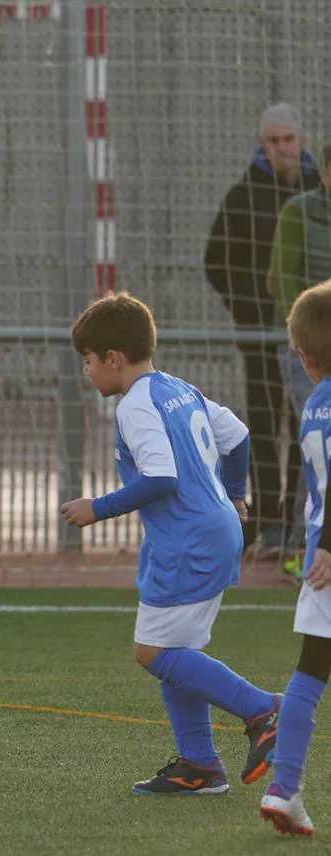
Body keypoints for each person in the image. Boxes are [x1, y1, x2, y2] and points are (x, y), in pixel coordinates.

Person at [60, 292, 279, 795]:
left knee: (153, 651)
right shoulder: (178, 388)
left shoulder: (135, 407)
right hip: (211, 530)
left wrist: (98, 507)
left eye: (88, 363)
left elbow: (160, 476)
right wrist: (238, 497)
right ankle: (200, 766)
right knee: (176, 650)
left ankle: (264, 709)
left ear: (112, 358)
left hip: (189, 541)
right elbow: (238, 436)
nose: (87, 373)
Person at [204, 103, 320, 560]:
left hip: (311, 337)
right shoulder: (243, 196)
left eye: (288, 140)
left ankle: (297, 526)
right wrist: (249, 309)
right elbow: (215, 262)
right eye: (272, 141)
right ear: (262, 145)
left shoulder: (318, 192)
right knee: (265, 430)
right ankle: (268, 525)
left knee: (308, 424)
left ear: (302, 142)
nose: (282, 149)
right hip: (261, 336)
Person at [258, 279, 331, 836]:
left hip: (318, 565)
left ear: (302, 356)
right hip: (326, 550)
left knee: (311, 671)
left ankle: (283, 789)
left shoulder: (311, 408)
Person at [265, 141, 331, 576]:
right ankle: (300, 550)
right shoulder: (298, 213)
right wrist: (312, 331)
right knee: (312, 438)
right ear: (325, 172)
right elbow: (280, 279)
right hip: (311, 346)